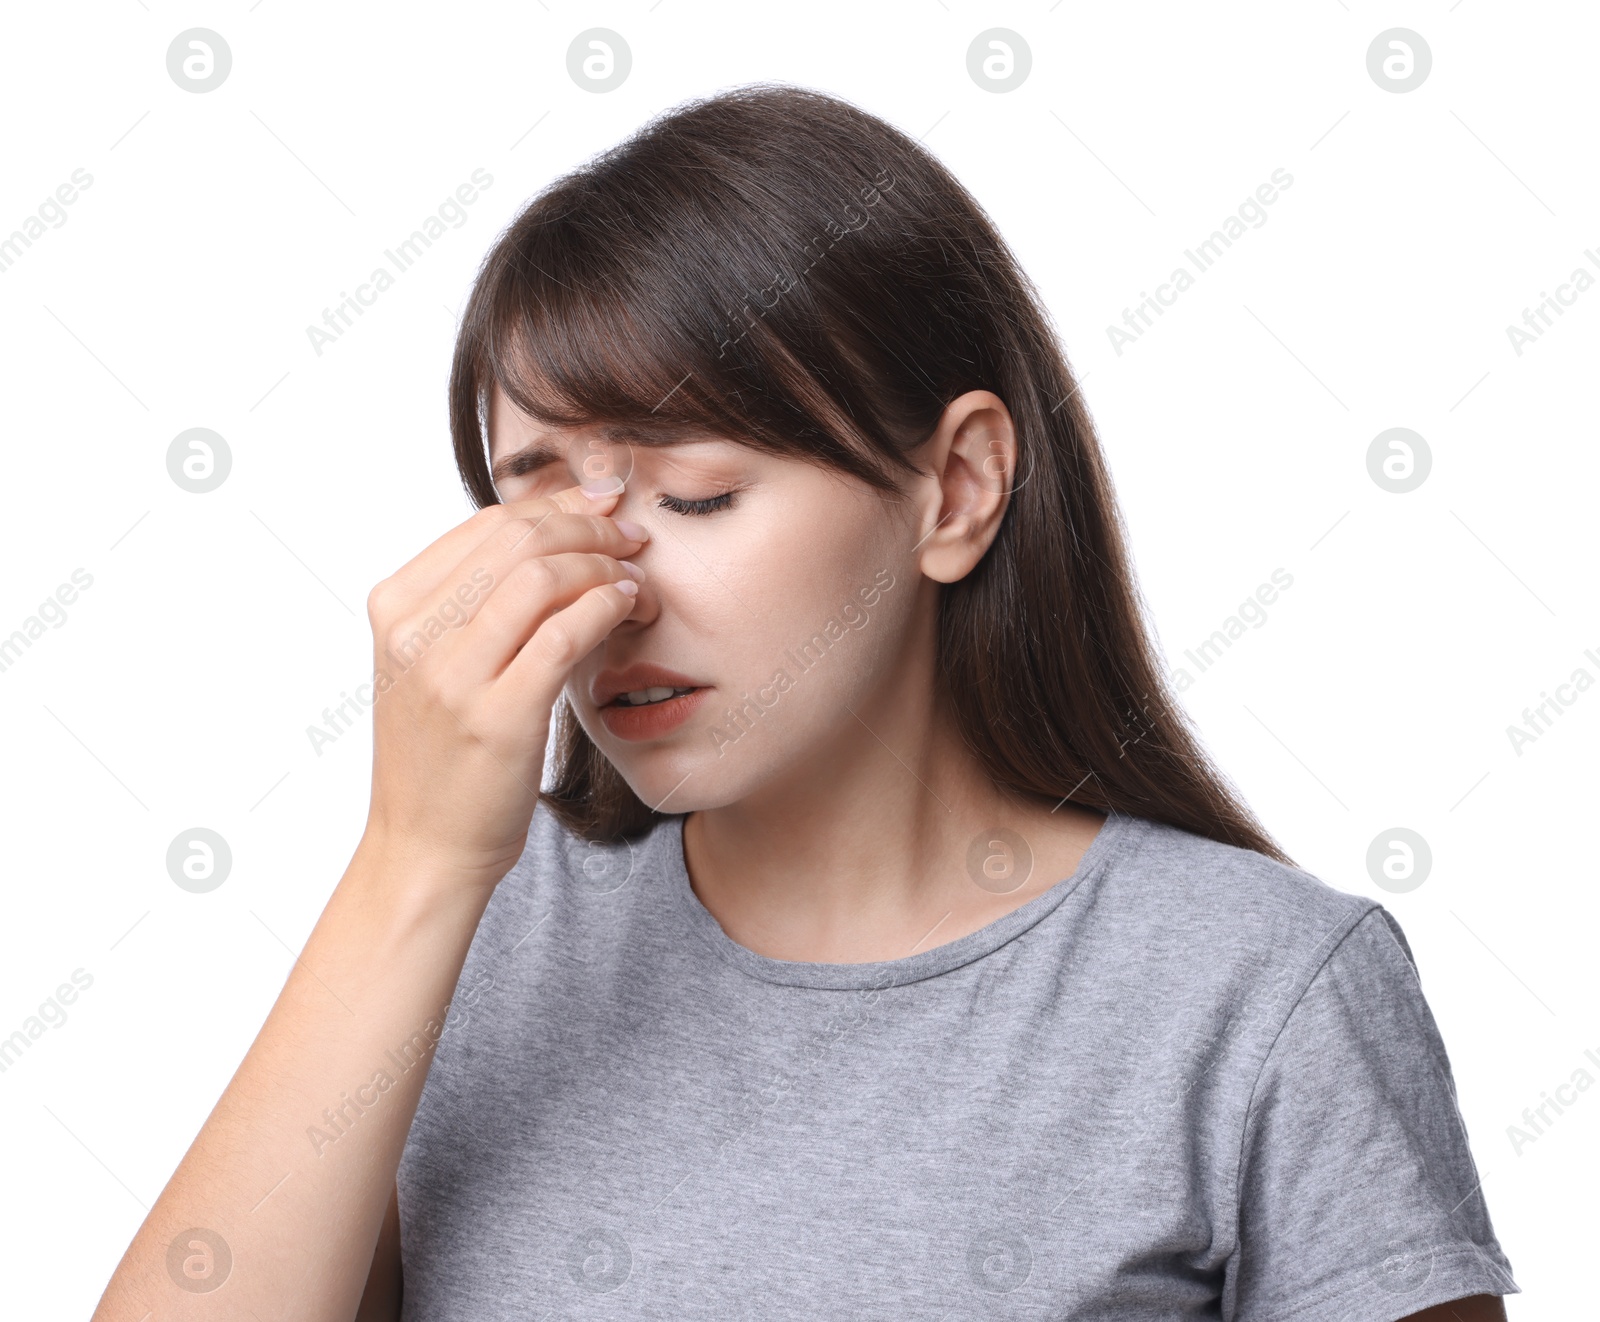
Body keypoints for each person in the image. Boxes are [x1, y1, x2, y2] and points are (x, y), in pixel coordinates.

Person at [92, 84, 1518, 1320]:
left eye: (695, 490)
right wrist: (413, 862)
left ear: (954, 490)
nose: (608, 589)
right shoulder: (468, 932)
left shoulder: (1255, 994)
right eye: (534, 504)